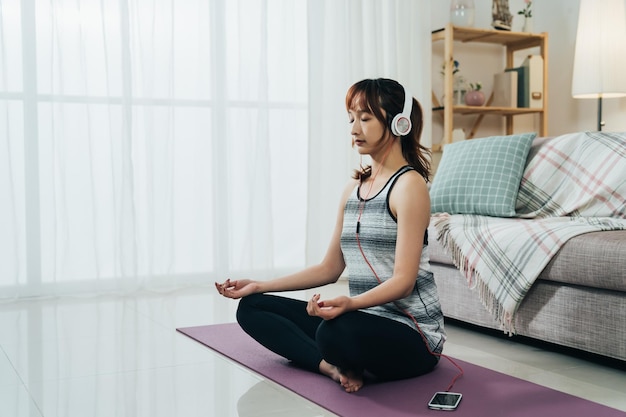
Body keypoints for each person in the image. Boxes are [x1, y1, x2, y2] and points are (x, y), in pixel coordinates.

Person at [215, 78, 446, 393]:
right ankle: (330, 367)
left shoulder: (410, 186)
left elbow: (404, 281)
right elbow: (329, 268)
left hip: (413, 336)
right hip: (362, 320)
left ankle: (335, 354)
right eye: (351, 118)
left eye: (365, 118)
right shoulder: (353, 189)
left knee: (333, 333)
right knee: (252, 307)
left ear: (398, 123)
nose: (354, 129)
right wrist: (260, 284)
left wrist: (349, 304)